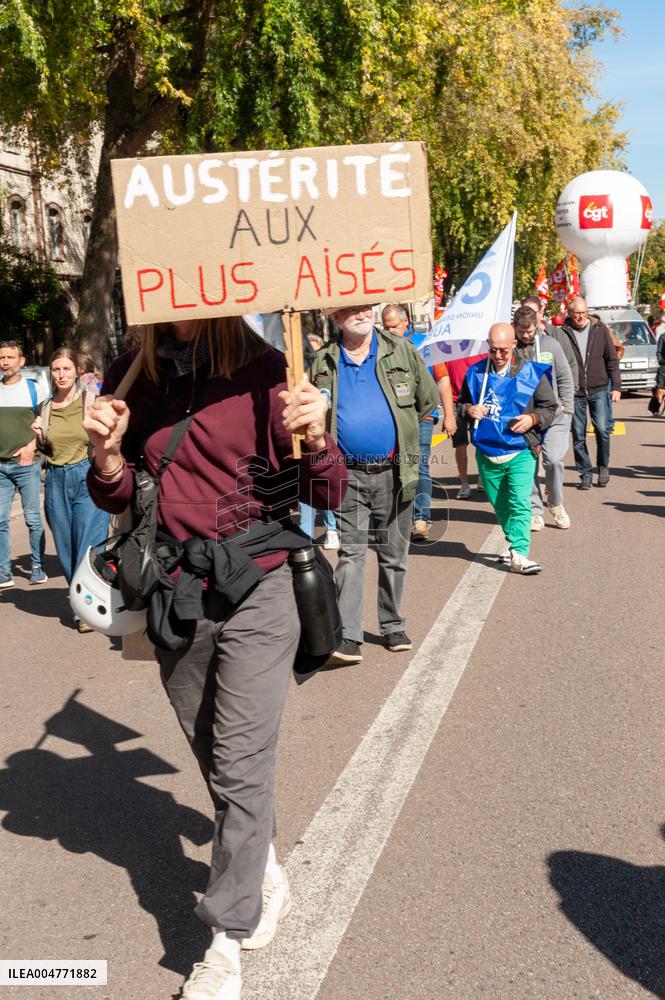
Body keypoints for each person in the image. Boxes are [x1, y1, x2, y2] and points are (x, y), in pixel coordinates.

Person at [83, 317, 347, 1000]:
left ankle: (223, 941)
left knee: (239, 756)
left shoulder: (268, 367)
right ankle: (261, 867)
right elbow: (120, 493)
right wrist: (107, 458)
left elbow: (327, 493)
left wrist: (316, 436)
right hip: (176, 591)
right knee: (213, 753)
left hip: (260, 581)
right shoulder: (129, 375)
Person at [310, 303, 438, 664]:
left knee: (394, 554)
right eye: (351, 310)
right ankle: (348, 635)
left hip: (395, 471)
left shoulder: (402, 350)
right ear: (336, 318)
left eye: (366, 307)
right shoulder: (323, 362)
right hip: (346, 473)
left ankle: (393, 625)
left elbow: (426, 400)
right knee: (350, 554)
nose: (362, 314)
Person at [458, 322, 558, 574]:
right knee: (500, 504)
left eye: (503, 349)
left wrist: (532, 419)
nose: (498, 355)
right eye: (493, 350)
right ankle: (514, 543)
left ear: (514, 344)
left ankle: (520, 554)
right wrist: (469, 410)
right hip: (487, 451)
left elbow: (549, 408)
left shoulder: (532, 373)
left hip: (521, 450)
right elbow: (462, 404)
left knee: (519, 501)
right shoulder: (475, 374)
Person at [31, 348, 110, 631]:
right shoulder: (44, 407)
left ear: (77, 370)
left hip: (87, 475)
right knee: (65, 549)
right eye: (56, 369)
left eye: (66, 368)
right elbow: (47, 447)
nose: (61, 375)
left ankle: (84, 610)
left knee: (88, 545)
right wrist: (38, 438)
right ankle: (83, 599)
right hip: (54, 479)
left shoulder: (92, 401)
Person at [381, 303, 457, 539]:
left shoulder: (425, 344)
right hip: (393, 417)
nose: (389, 330)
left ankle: (421, 518)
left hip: (423, 415)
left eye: (393, 326)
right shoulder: (380, 347)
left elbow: (442, 380)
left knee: (419, 464)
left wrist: (449, 415)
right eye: (385, 326)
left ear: (406, 322)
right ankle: (398, 517)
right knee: (395, 466)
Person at [512, 306, 574, 530]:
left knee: (554, 461)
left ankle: (556, 503)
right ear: (515, 328)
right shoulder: (510, 349)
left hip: (555, 416)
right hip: (526, 417)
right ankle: (535, 510)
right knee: (528, 466)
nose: (526, 336)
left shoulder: (550, 345)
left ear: (536, 326)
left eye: (529, 331)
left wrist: (568, 410)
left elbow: (565, 377)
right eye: (521, 331)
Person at [0, 340, 48, 588]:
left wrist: (31, 448)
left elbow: (46, 422)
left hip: (26, 464)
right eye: (1, 358)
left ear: (21, 362)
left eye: (10, 357)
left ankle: (37, 567)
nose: (5, 362)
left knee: (32, 518)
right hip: (0, 467)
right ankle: (3, 572)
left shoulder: (34, 389)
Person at [560, 297, 621, 489]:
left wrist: (616, 387)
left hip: (599, 388)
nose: (580, 316)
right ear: (570, 313)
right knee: (578, 434)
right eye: (577, 313)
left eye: (583, 312)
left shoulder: (600, 330)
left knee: (602, 429)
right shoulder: (563, 332)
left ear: (588, 312)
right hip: (575, 392)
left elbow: (612, 359)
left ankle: (603, 466)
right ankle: (585, 473)